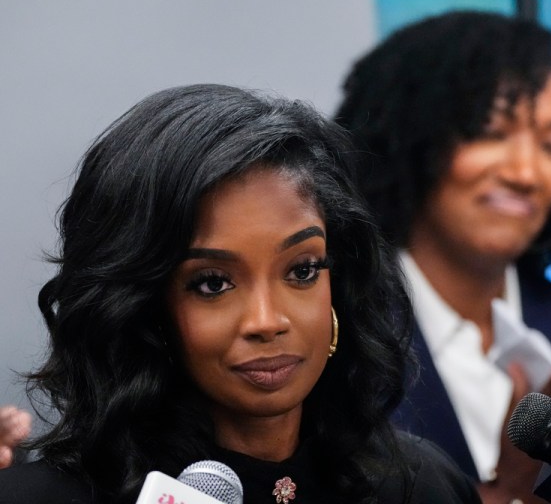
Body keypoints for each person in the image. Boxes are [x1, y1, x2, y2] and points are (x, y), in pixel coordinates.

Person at [0, 84, 481, 503]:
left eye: (302, 270)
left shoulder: (419, 486)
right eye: (213, 283)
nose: (267, 321)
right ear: (142, 306)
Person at [335, 11, 551, 503]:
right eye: (490, 132)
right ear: (409, 138)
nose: (527, 173)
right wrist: (508, 493)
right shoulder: (345, 333)